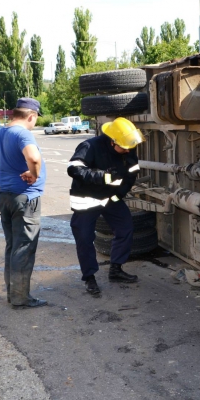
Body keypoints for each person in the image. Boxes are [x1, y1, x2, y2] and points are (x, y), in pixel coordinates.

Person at [0, 98, 47, 309]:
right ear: (31, 116)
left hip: (5, 197)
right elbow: (33, 158)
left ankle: (12, 293)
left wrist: (5, 162)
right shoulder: (22, 133)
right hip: (25, 198)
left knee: (12, 246)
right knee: (23, 248)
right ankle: (20, 298)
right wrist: (33, 174)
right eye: (35, 119)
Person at [67, 117, 144, 295]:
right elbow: (74, 169)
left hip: (111, 199)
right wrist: (101, 176)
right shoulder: (90, 146)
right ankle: (89, 277)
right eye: (123, 147)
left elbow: (132, 173)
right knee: (85, 239)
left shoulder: (127, 146)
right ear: (112, 141)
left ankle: (116, 269)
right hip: (87, 200)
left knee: (125, 228)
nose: (127, 151)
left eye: (129, 147)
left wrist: (119, 194)